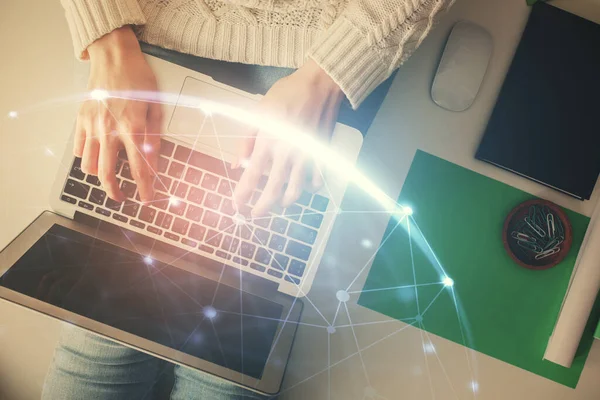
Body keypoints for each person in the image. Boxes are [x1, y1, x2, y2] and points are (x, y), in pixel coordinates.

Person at [42, 0, 454, 398]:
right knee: (100, 347)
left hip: (310, 79)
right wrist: (108, 39)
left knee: (225, 370)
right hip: (141, 58)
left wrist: (325, 77)